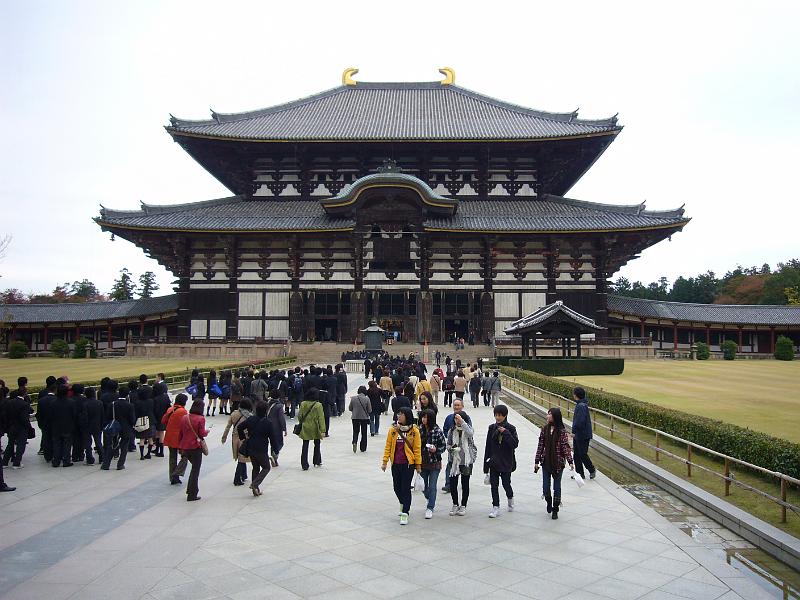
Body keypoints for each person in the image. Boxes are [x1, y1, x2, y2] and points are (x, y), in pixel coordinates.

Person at [381, 407, 422, 526]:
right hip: (396, 464)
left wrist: (418, 465)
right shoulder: (393, 430)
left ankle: (405, 512)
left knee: (405, 488)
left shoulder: (414, 431)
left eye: (401, 414)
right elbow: (388, 446)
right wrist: (385, 461)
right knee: (396, 487)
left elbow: (417, 449)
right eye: (398, 414)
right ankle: (403, 503)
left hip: (408, 464)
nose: (399, 416)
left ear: (407, 416)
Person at [535, 407, 574, 519]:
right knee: (546, 487)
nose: (547, 416)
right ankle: (548, 500)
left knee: (557, 487)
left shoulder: (562, 432)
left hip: (558, 463)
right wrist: (536, 461)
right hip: (546, 462)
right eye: (548, 414)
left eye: (550, 414)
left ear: (555, 417)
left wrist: (570, 461)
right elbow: (540, 446)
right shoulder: (544, 429)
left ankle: (555, 508)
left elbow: (565, 447)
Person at [484, 404, 518, 518]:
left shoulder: (511, 428)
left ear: (505, 415)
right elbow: (488, 446)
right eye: (496, 415)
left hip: (506, 461)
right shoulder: (491, 428)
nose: (497, 418)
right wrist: (486, 465)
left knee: (506, 483)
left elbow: (514, 444)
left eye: (500, 415)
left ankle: (510, 497)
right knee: (494, 485)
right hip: (494, 461)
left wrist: (505, 433)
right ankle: (496, 507)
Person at [176, 399, 209, 501]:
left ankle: (191, 490)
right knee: (195, 470)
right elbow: (202, 433)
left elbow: (180, 433)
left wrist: (179, 446)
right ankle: (192, 493)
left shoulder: (185, 417)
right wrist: (207, 431)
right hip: (195, 447)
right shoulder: (200, 419)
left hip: (185, 446)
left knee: (193, 469)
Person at [237, 401, 273, 496]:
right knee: (266, 467)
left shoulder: (251, 419)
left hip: (251, 447)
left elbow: (240, 427)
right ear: (266, 411)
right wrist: (275, 448)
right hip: (261, 448)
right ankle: (255, 484)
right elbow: (272, 437)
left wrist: (243, 438)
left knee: (255, 467)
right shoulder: (268, 422)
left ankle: (255, 490)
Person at [446, 410, 476, 516]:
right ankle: (455, 504)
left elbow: (470, 433)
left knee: (465, 484)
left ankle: (463, 505)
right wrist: (451, 448)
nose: (456, 421)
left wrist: (462, 422)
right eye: (455, 419)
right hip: (454, 461)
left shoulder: (467, 429)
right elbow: (448, 444)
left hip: (466, 461)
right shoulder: (451, 430)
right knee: (453, 484)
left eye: (458, 418)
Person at [418, 408, 446, 519]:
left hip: (434, 462)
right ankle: (430, 498)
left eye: (425, 417)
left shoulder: (437, 431)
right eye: (422, 417)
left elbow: (443, 446)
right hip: (422, 461)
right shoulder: (419, 429)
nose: (423, 419)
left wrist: (436, 450)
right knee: (424, 487)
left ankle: (430, 507)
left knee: (432, 486)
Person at [101, 384, 136, 471]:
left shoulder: (112, 404)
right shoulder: (130, 405)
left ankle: (106, 464)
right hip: (126, 428)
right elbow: (132, 419)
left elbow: (108, 416)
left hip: (115, 427)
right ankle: (120, 464)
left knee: (112, 445)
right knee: (124, 447)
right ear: (127, 395)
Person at [441, 398, 472, 494]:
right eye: (455, 405)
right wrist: (449, 437)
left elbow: (469, 431)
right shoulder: (449, 417)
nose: (456, 407)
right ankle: (449, 484)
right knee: (450, 465)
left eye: (458, 405)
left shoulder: (466, 417)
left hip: (464, 449)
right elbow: (445, 429)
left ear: (462, 406)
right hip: (454, 447)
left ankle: (464, 484)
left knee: (464, 468)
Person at [221, 398, 253, 486]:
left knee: (241, 456)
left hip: (235, 437)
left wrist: (224, 437)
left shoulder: (234, 414)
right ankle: (237, 478)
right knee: (242, 457)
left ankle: (244, 474)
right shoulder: (249, 416)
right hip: (244, 438)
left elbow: (228, 427)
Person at [2, 387, 32, 469]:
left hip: (11, 427)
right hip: (21, 427)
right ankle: (16, 463)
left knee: (10, 444)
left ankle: (4, 462)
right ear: (25, 394)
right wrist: (29, 427)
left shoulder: (10, 402)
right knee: (21, 445)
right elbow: (24, 418)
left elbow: (6, 415)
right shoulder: (24, 404)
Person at [571, 387, 596, 481]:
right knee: (576, 455)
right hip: (579, 434)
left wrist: (574, 431)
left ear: (576, 395)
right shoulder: (581, 405)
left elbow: (580, 421)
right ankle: (580, 474)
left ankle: (591, 469)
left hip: (583, 434)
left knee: (582, 454)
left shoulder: (581, 406)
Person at [162, 393, 188, 484]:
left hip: (169, 435)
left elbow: (163, 421)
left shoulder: (171, 409)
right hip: (179, 437)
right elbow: (185, 424)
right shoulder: (182, 411)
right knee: (185, 456)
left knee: (172, 457)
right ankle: (176, 473)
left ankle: (172, 477)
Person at [298, 389, 326, 470]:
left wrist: (302, 422)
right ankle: (316, 460)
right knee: (317, 444)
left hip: (305, 426)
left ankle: (304, 464)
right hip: (315, 426)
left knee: (305, 445)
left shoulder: (303, 404)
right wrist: (323, 430)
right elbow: (321, 418)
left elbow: (300, 416)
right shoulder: (318, 405)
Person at [51, 384, 76, 467]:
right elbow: (74, 415)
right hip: (68, 426)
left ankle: (56, 461)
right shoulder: (71, 402)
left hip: (56, 427)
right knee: (67, 444)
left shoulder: (53, 403)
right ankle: (66, 461)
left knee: (57, 444)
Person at [133, 379, 156, 460]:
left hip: (141, 421)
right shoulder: (151, 401)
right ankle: (148, 453)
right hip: (150, 421)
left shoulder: (137, 402)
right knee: (150, 439)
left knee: (142, 439)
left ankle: (142, 455)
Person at [36, 376, 57, 462]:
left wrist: (40, 422)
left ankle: (46, 454)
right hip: (53, 421)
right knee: (53, 438)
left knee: (46, 437)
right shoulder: (56, 398)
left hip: (44, 420)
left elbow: (39, 411)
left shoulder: (41, 393)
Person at [83, 387, 104, 465]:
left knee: (88, 444)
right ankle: (102, 458)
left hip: (87, 426)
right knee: (98, 442)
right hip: (97, 425)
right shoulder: (99, 403)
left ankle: (90, 460)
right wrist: (102, 425)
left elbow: (84, 417)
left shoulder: (85, 404)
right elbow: (102, 415)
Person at [266, 390, 287, 466]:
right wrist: (284, 428)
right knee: (279, 443)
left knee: (272, 443)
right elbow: (281, 418)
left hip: (267, 425)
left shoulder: (267, 403)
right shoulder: (279, 406)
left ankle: (273, 458)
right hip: (276, 427)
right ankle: (274, 456)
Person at [348, 385, 371, 453]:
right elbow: (369, 410)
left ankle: (354, 441)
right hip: (364, 418)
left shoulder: (353, 398)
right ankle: (363, 447)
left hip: (355, 417)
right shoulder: (367, 399)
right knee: (364, 432)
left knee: (355, 431)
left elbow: (350, 408)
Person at [152, 382, 170, 457]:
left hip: (157, 417)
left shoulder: (155, 399)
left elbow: (154, 409)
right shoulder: (166, 397)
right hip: (164, 417)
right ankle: (160, 450)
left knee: (158, 433)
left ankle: (159, 450)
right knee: (160, 433)